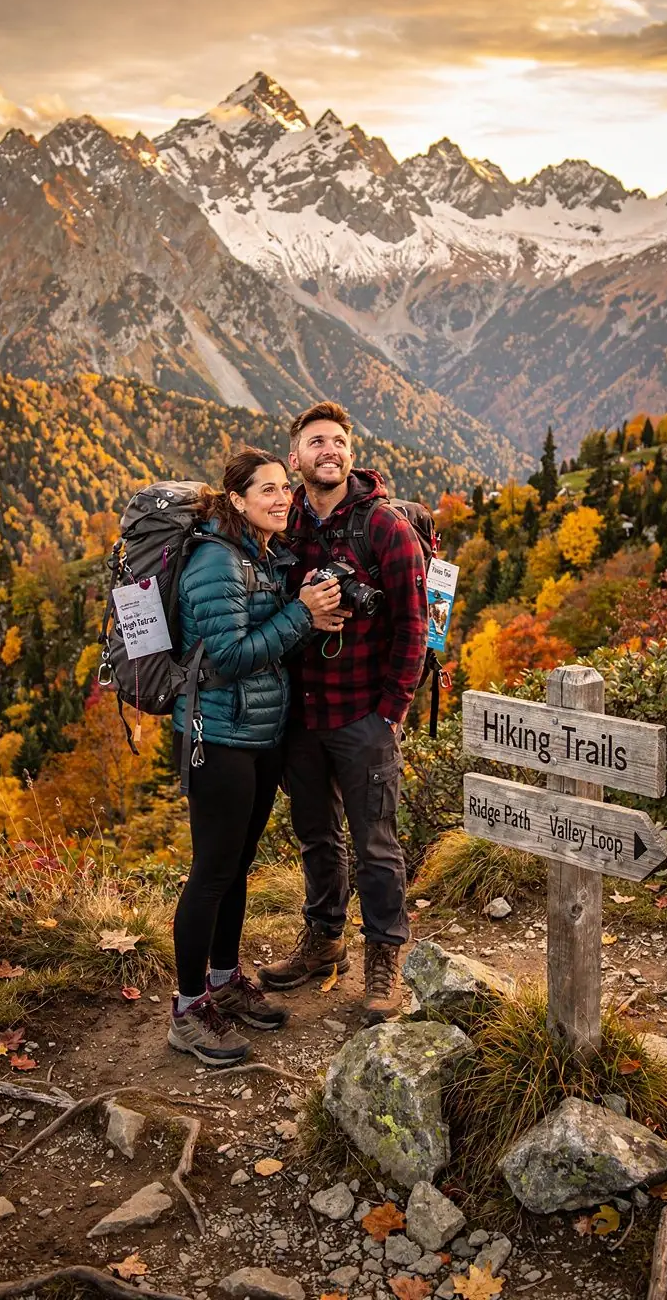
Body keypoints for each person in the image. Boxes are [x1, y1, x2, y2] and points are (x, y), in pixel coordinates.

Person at [168, 447, 343, 1067]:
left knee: (236, 866)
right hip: (218, 736)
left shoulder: (258, 554)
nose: (280, 498)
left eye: (283, 489)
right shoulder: (217, 561)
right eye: (265, 490)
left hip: (258, 733)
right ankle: (188, 1011)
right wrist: (302, 615)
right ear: (236, 500)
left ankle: (222, 982)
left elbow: (264, 647)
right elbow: (228, 659)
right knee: (212, 872)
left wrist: (308, 614)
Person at [257, 403, 428, 1022]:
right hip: (299, 715)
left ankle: (385, 958)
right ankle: (325, 941)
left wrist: (391, 711)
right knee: (316, 837)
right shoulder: (285, 521)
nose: (327, 450)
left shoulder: (384, 529)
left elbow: (415, 626)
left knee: (376, 843)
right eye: (314, 442)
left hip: (362, 716)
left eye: (337, 441)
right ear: (295, 456)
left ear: (349, 452)